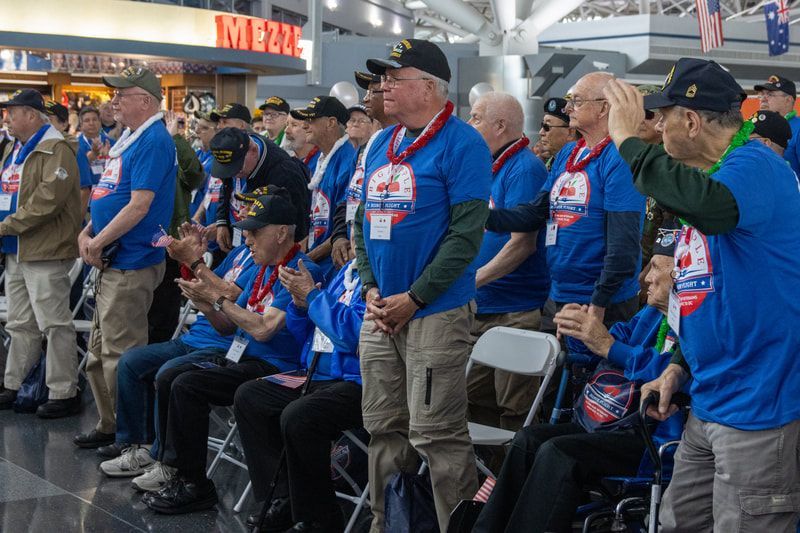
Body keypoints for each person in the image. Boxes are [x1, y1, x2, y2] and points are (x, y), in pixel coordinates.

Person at [604, 57, 800, 532]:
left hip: (757, 406)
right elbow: (705, 290)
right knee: (678, 523)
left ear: (691, 121)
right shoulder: (716, 177)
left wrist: (627, 140)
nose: (656, 127)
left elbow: (709, 206)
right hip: (711, 398)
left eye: (662, 116)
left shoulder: (754, 165)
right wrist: (678, 366)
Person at [356, 38, 491, 532]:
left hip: (434, 311)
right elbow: (362, 221)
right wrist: (370, 286)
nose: (384, 87)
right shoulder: (381, 143)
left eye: (395, 78)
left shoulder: (463, 144)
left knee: (437, 436)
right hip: (380, 311)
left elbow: (466, 235)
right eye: (383, 79)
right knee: (382, 429)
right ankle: (384, 524)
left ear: (430, 87)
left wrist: (414, 298)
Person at [473, 223, 684, 533]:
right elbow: (607, 347)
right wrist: (580, 332)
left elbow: (673, 372)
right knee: (528, 439)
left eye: (655, 268)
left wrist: (609, 346)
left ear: (679, 276)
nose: (645, 278)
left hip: (652, 437)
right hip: (611, 420)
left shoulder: (694, 321)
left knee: (559, 453)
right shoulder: (651, 314)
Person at [142, 191, 323, 514]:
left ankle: (196, 484)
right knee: (172, 376)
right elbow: (227, 327)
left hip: (275, 366)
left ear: (281, 233)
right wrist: (204, 304)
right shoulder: (260, 269)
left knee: (188, 385)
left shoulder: (300, 271)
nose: (247, 240)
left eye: (255, 232)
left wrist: (218, 300)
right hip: (241, 358)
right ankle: (180, 473)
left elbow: (264, 329)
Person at [97, 220, 257, 484]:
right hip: (195, 337)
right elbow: (202, 287)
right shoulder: (240, 253)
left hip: (223, 346)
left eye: (255, 231)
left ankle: (165, 461)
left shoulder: (262, 263)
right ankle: (139, 447)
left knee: (169, 373)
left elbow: (227, 294)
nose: (248, 237)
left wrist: (195, 261)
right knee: (131, 361)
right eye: (248, 230)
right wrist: (191, 260)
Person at [486, 72, 645, 335]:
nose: (568, 107)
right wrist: (480, 216)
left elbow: (623, 244)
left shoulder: (619, 157)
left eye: (577, 101)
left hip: (601, 302)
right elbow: (535, 213)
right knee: (550, 360)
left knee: (591, 363)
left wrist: (599, 302)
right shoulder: (569, 153)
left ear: (604, 108)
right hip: (558, 294)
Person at [74, 67, 177, 450]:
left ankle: (131, 437)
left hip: (132, 261)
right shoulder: (129, 138)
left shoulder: (153, 140)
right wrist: (88, 233)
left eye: (122, 95)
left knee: (121, 353)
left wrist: (97, 240)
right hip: (112, 258)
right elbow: (108, 193)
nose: (113, 101)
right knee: (99, 351)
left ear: (146, 101)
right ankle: (110, 423)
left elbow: (139, 205)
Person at [235, 227, 364, 532]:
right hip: (314, 372)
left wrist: (314, 297)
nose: (355, 242)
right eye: (354, 235)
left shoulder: (379, 281)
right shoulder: (345, 272)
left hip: (355, 381)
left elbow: (352, 335)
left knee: (300, 416)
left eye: (362, 235)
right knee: (250, 396)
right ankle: (283, 498)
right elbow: (303, 332)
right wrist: (298, 305)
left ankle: (319, 519)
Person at [465, 91, 550, 430]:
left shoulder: (524, 168)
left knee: (514, 410)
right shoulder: (487, 163)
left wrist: (471, 280)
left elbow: (522, 244)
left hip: (514, 309)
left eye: (476, 117)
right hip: (484, 305)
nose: (469, 124)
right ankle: (486, 465)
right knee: (474, 400)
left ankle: (510, 466)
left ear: (500, 125)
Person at [0, 89, 82, 418]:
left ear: (32, 115)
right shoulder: (15, 148)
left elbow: (48, 200)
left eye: (12, 113)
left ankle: (64, 391)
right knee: (20, 323)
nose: (7, 119)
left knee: (54, 323)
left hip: (44, 248)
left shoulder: (56, 148)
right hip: (16, 248)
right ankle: (16, 383)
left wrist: (7, 225)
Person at [329, 71, 400, 269]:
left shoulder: (405, 144)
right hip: (356, 249)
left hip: (384, 256)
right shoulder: (366, 149)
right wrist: (339, 235)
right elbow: (350, 198)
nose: (366, 99)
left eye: (372, 92)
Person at [211, 127, 310, 252]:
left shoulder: (284, 173)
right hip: (239, 238)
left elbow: (297, 228)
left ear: (253, 150)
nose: (234, 174)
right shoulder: (235, 145)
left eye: (237, 168)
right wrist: (222, 221)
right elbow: (225, 185)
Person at [291, 96, 356, 281]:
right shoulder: (323, 159)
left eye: (311, 120)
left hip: (333, 266)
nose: (305, 125)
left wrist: (307, 259)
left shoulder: (347, 161)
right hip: (320, 261)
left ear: (331, 123)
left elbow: (344, 225)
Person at [45, 100, 94, 214]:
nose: (43, 124)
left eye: (49, 120)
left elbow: (84, 191)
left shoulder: (73, 149)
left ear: (64, 124)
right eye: (42, 119)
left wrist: (75, 222)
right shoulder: (38, 148)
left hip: (64, 220)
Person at [754, 75, 800, 174]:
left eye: (769, 94)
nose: (763, 99)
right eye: (761, 95)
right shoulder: (754, 127)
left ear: (788, 100)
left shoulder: (798, 129)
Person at [78, 106, 115, 186]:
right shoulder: (75, 145)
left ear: (100, 122)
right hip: (86, 188)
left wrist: (109, 157)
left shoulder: (111, 143)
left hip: (108, 187)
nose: (91, 123)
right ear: (81, 125)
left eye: (94, 119)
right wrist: (92, 155)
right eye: (87, 120)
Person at [538, 97, 577, 170]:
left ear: (570, 132)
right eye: (542, 125)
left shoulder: (578, 165)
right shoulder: (552, 161)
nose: (541, 132)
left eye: (547, 126)